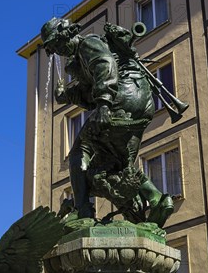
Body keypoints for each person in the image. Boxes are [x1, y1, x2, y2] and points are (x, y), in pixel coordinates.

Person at [40, 17, 174, 227]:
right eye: (54, 49)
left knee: (78, 151)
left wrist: (104, 102)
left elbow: (105, 64)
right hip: (141, 104)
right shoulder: (81, 59)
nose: (58, 50)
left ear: (66, 34)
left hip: (123, 98)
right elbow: (87, 94)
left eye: (57, 44)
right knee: (120, 164)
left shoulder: (87, 44)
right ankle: (157, 199)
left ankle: (82, 209)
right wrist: (66, 96)